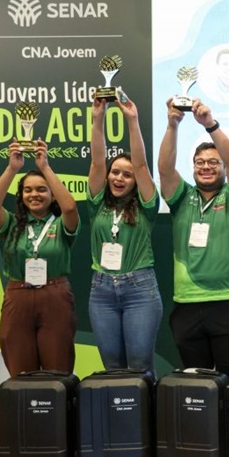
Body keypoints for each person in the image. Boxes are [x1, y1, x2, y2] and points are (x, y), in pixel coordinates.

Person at [157, 97, 229, 457]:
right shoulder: (182, 198)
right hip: (187, 302)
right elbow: (164, 169)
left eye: (214, 163)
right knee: (197, 376)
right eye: (200, 163)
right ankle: (203, 437)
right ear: (193, 168)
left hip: (228, 299)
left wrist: (211, 126)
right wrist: (173, 125)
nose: (208, 167)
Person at [0, 139, 79, 376]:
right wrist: (12, 168)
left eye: (41, 189)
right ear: (21, 195)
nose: (34, 194)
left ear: (52, 194)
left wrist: (45, 167)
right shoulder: (11, 224)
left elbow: (69, 208)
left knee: (58, 371)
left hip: (55, 296)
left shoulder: (60, 224)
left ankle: (59, 413)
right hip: (18, 296)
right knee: (20, 372)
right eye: (28, 190)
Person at [86, 92, 162, 375]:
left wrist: (132, 121)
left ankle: (147, 420)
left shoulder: (147, 206)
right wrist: (98, 119)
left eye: (126, 175)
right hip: (102, 290)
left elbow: (141, 165)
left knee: (141, 367)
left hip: (139, 288)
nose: (119, 178)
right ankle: (117, 420)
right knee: (113, 369)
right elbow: (96, 162)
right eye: (115, 172)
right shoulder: (97, 204)